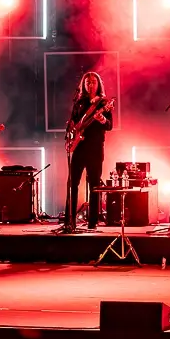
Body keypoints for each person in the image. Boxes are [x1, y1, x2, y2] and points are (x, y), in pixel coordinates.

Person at [64, 72, 114, 231]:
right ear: (83, 85)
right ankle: (69, 221)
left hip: (95, 148)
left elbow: (109, 125)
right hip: (79, 147)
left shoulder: (103, 103)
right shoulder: (79, 102)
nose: (90, 85)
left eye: (93, 82)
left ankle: (92, 222)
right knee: (72, 184)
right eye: (87, 82)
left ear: (98, 84)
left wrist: (102, 119)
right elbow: (73, 122)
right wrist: (70, 134)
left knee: (94, 185)